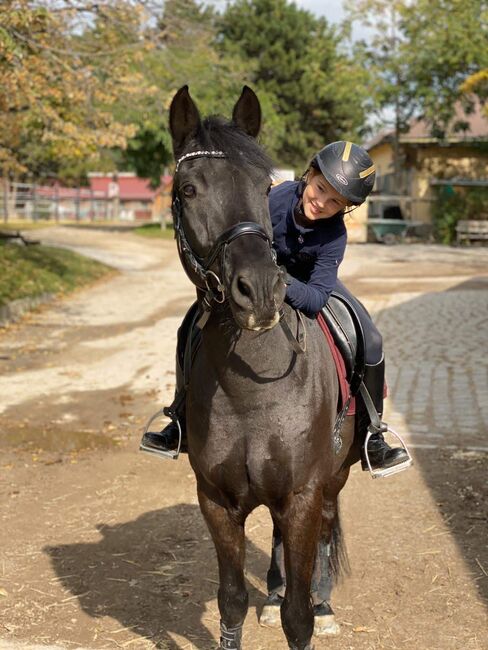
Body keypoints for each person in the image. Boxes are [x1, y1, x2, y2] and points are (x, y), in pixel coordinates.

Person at [140, 141, 409, 473]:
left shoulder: (334, 236)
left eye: (335, 201)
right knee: (190, 325)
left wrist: (281, 281)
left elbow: (315, 299)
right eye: (320, 188)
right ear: (309, 174)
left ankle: (373, 435)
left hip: (305, 282)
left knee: (372, 338)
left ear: (346, 208)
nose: (322, 202)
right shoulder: (275, 198)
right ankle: (178, 418)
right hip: (258, 272)